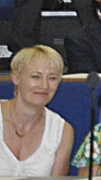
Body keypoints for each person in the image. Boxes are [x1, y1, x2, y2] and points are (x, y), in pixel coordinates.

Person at [0, 46, 72, 176]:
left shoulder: (62, 131)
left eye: (52, 78)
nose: (44, 86)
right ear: (16, 78)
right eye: (35, 76)